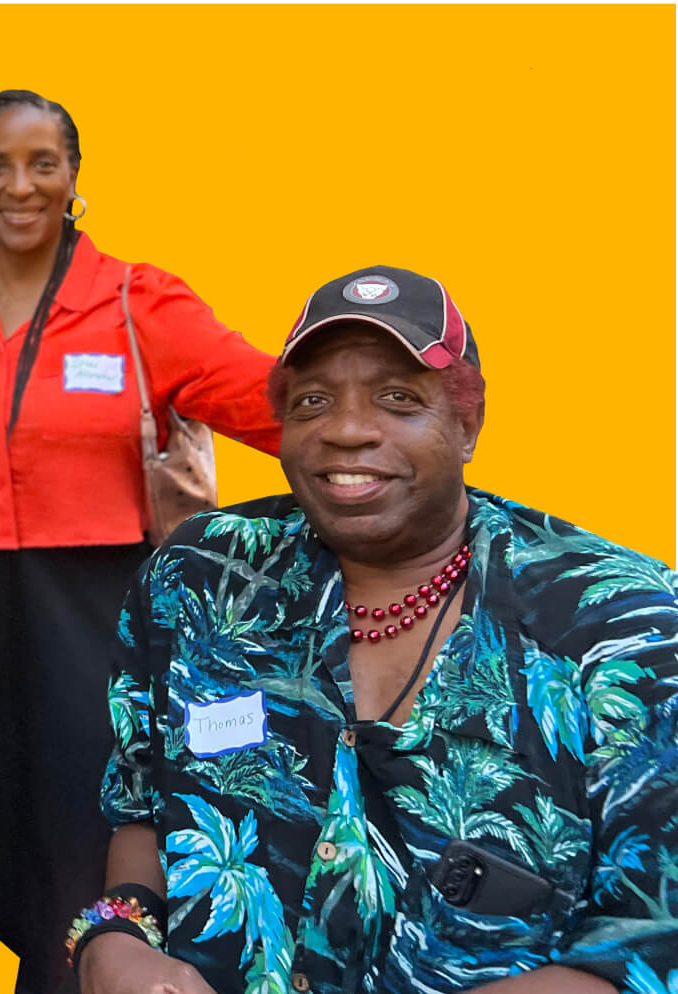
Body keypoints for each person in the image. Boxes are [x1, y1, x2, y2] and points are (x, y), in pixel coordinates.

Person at [81, 266, 678, 994]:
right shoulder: (198, 583)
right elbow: (141, 809)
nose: (348, 429)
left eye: (399, 399)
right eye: (313, 401)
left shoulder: (621, 626)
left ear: (467, 423)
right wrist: (113, 939)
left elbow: (655, 933)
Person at [0, 89, 282, 994]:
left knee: (92, 822)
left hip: (95, 607)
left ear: (74, 177)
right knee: (1, 831)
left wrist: (369, 411)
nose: (21, 185)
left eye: (44, 163)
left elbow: (270, 398)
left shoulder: (133, 301)